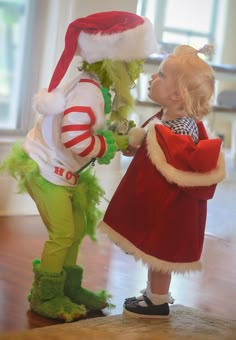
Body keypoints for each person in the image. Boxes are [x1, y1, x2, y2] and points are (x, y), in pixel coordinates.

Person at [0, 11, 158, 322]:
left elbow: (84, 132)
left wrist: (112, 137)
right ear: (116, 61)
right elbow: (75, 138)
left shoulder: (94, 87)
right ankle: (45, 295)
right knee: (62, 233)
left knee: (73, 231)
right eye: (133, 64)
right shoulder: (88, 92)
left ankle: (68, 288)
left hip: (58, 169)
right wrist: (114, 144)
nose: (137, 73)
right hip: (45, 169)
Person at [98, 44, 226, 319]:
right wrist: (136, 143)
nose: (153, 78)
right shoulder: (166, 119)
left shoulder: (179, 127)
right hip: (163, 201)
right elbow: (153, 146)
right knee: (156, 249)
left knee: (161, 253)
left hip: (172, 206)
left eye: (161, 75)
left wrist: (146, 140)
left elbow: (176, 157)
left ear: (178, 94)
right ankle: (152, 296)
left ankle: (156, 302)